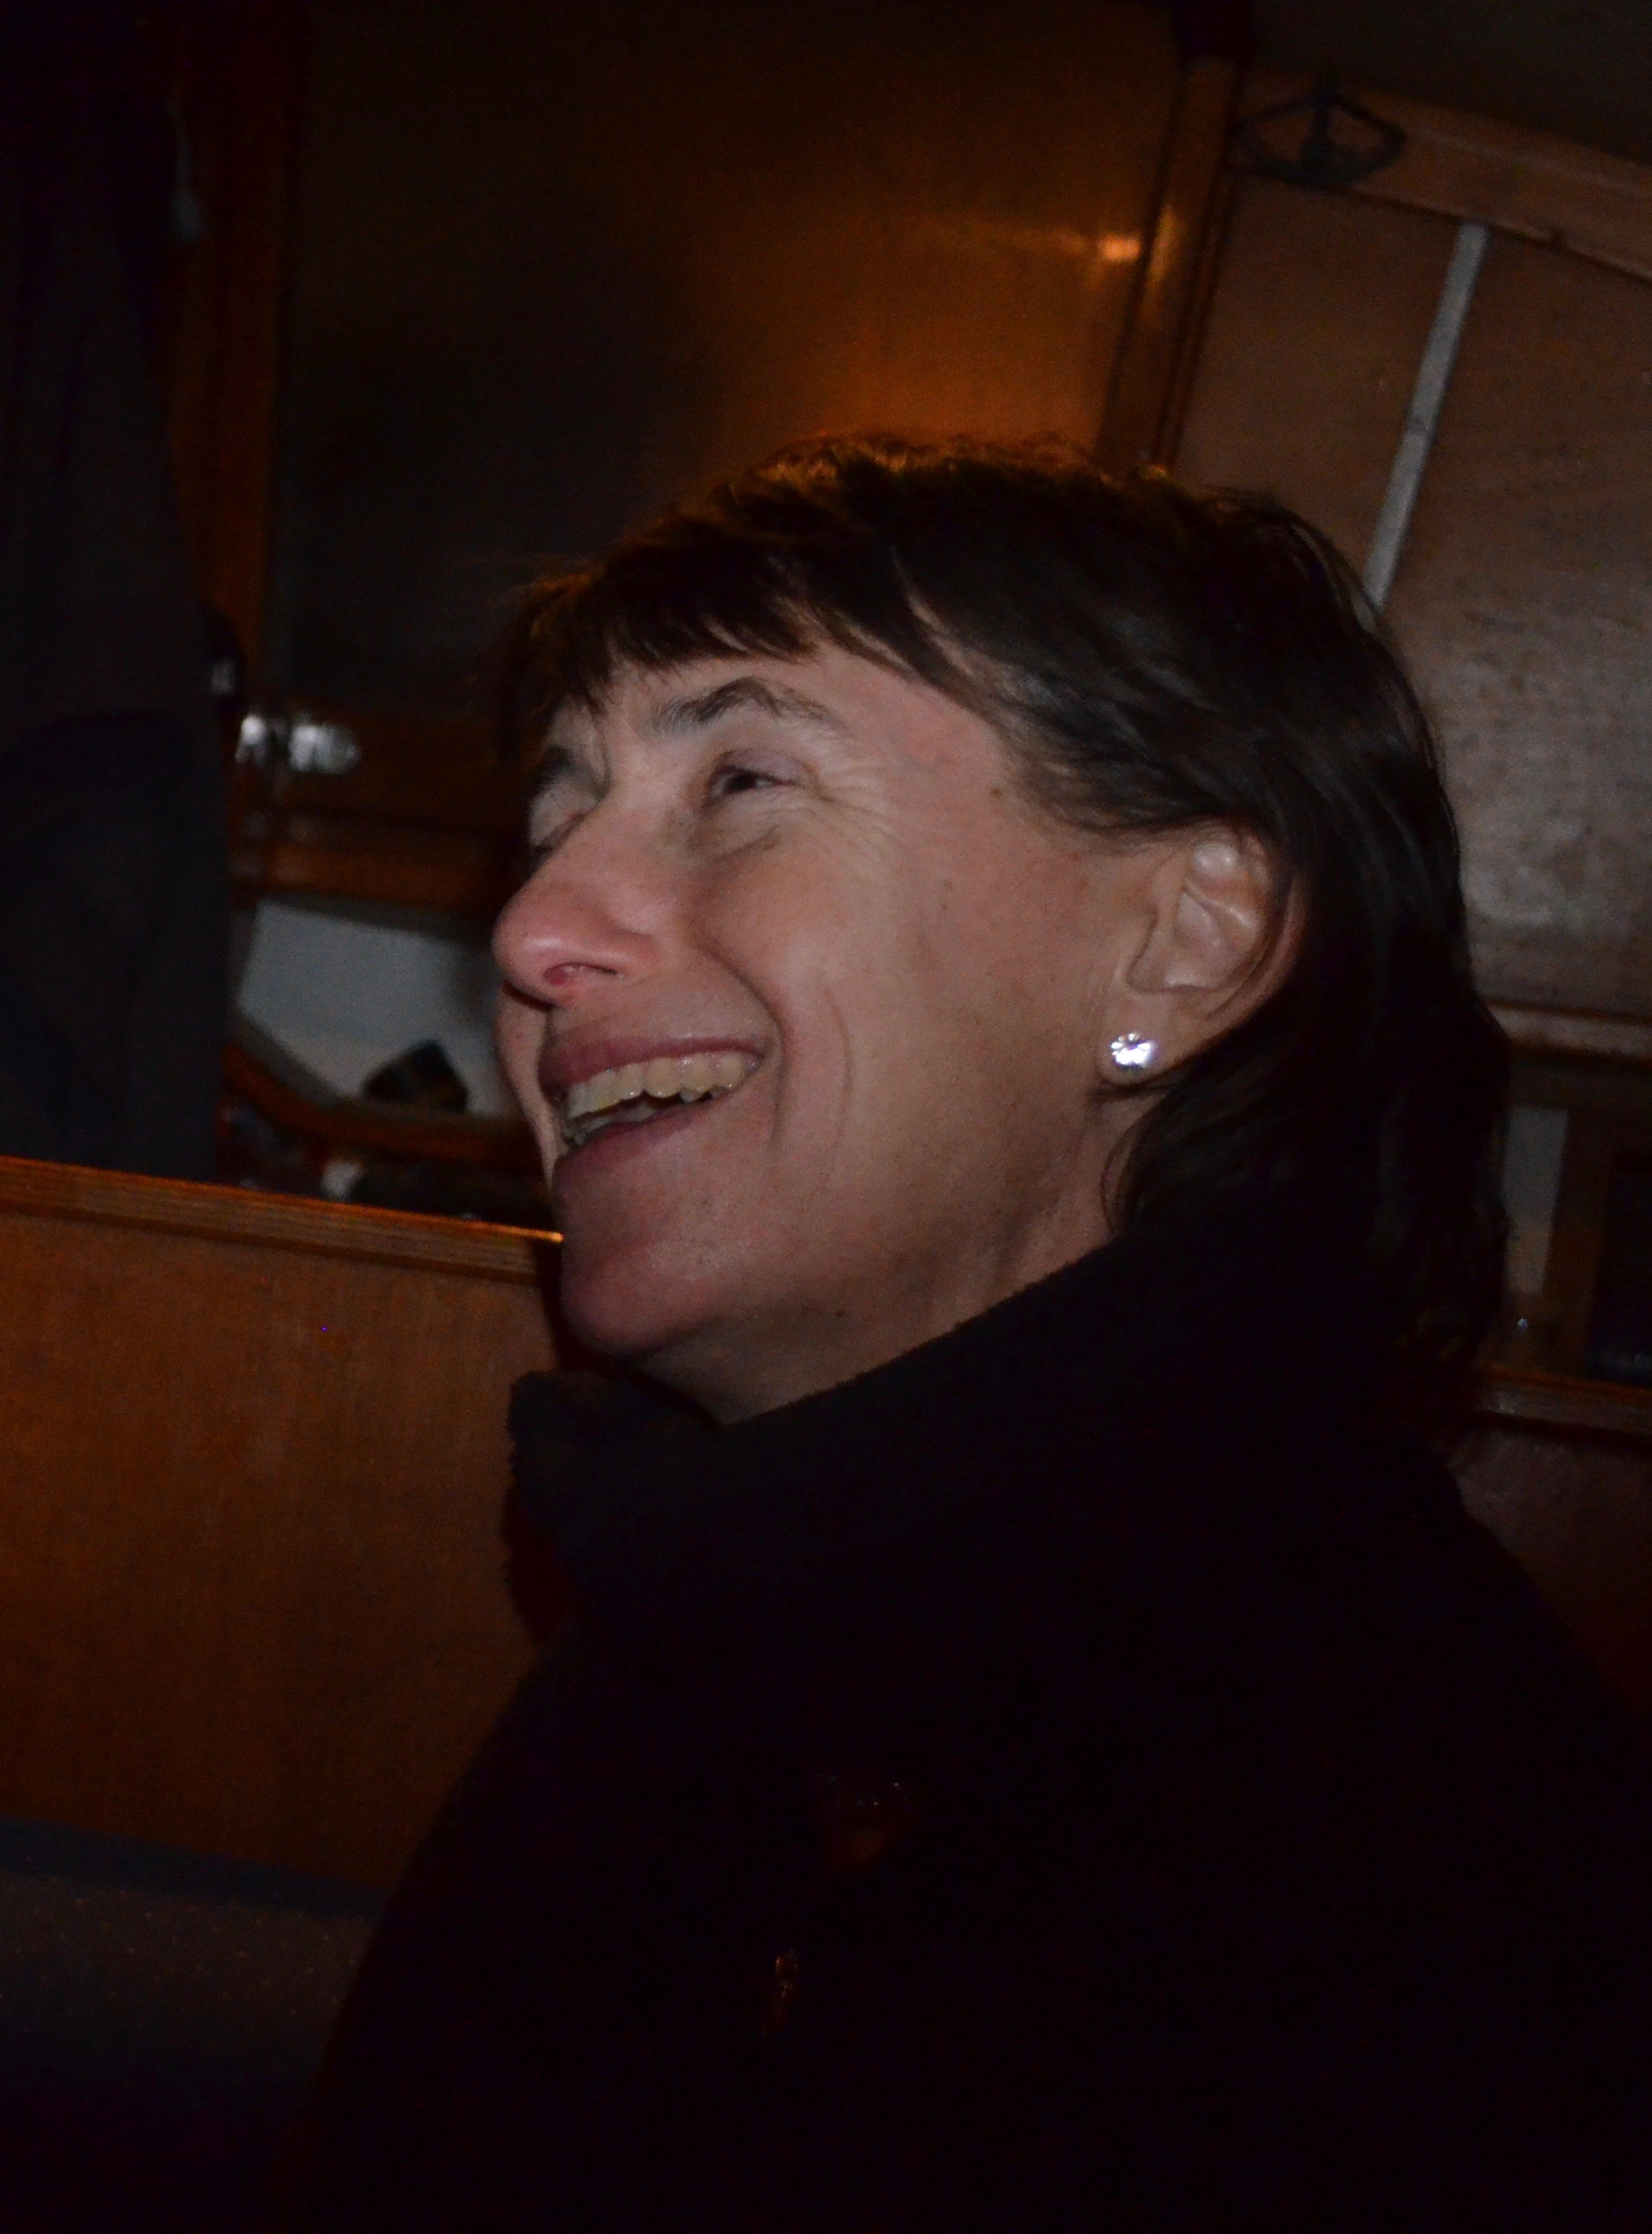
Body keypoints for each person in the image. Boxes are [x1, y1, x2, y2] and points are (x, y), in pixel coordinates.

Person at [288, 438, 1652, 2229]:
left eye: (743, 781)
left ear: (1183, 942)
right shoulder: (699, 1631)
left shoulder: (1428, 1859)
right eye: (556, 826)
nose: (536, 930)